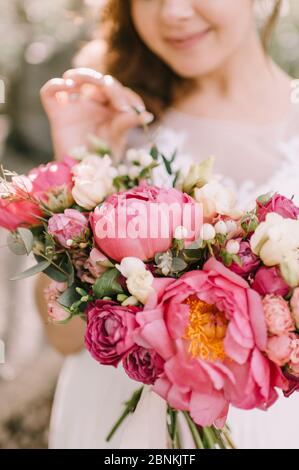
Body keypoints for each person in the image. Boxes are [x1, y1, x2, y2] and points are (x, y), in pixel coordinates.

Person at [38, 0, 299, 449]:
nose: (173, 12)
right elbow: (62, 338)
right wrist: (78, 166)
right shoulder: (125, 122)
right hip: (113, 429)